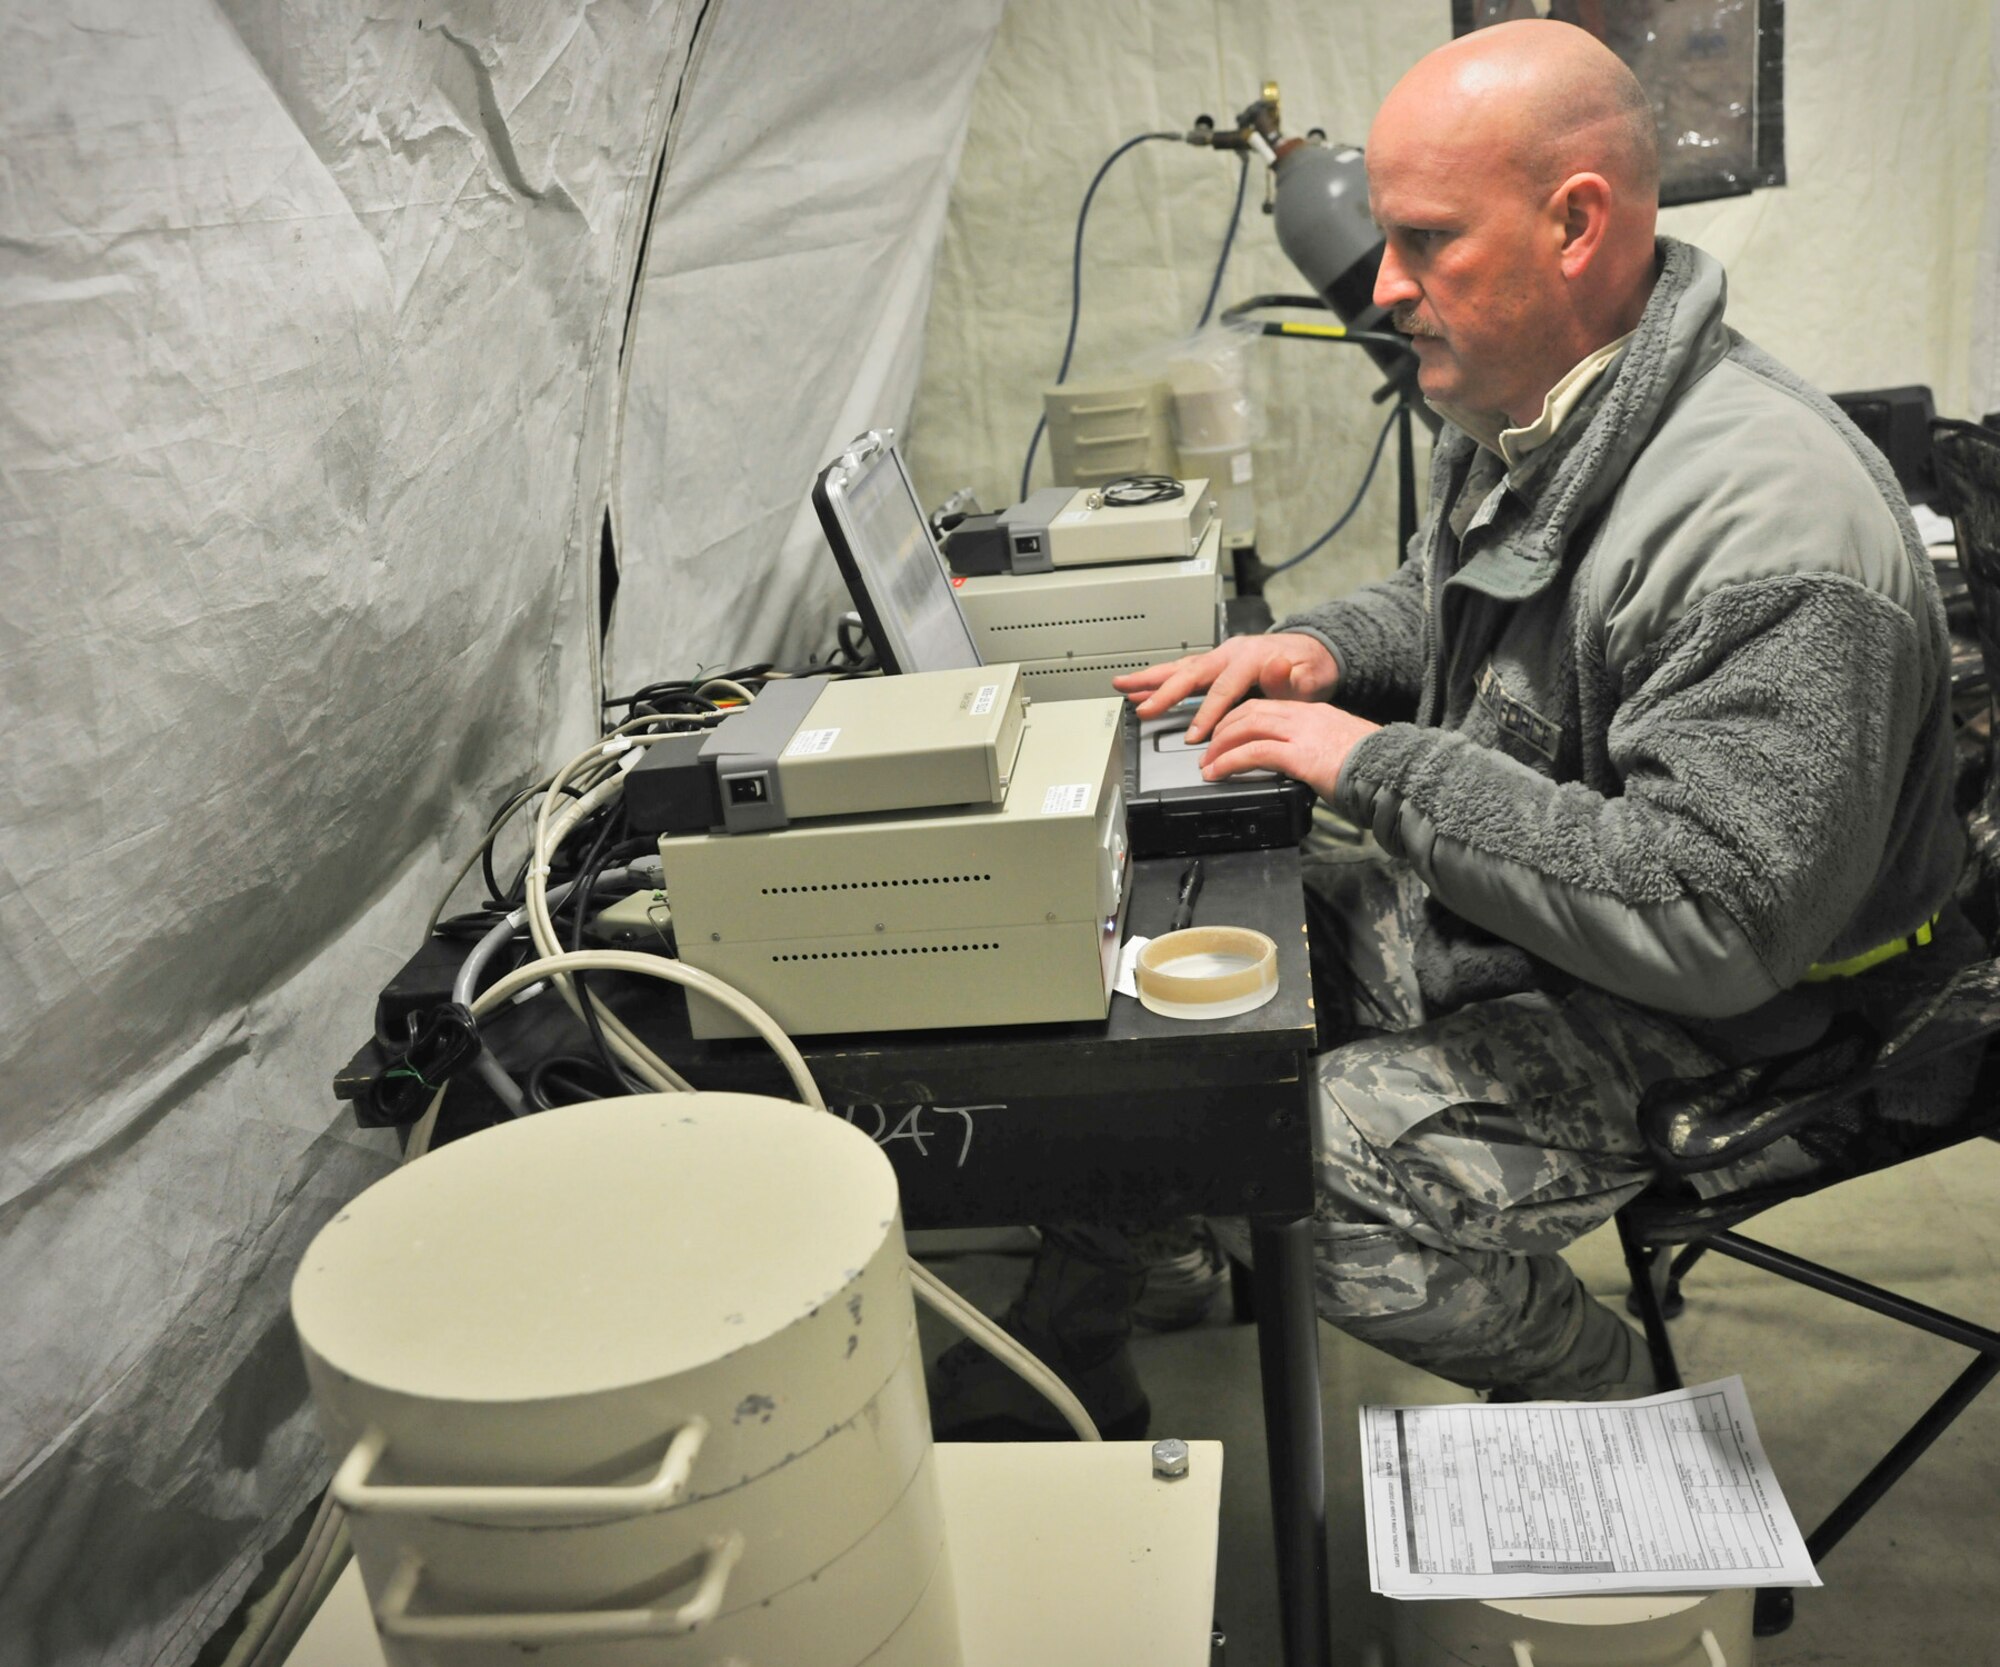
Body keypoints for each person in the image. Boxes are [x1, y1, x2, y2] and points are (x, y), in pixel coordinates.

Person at [933, 18, 1965, 1434]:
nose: (1389, 290)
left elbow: (1718, 914)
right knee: (1149, 993)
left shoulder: (1771, 529)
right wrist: (1315, 652)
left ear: (1575, 225)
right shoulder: (1554, 409)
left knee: (1293, 1162)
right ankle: (1080, 1338)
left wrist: (1372, 763)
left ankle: (1626, 1414)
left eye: (1427, 244)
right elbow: (1457, 599)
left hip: (1732, 1021)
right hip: (1549, 931)